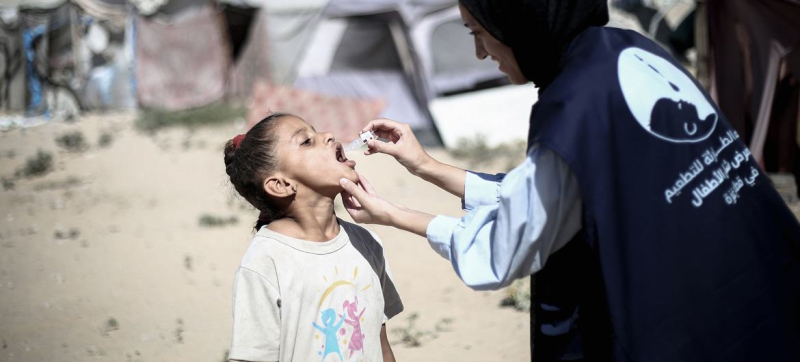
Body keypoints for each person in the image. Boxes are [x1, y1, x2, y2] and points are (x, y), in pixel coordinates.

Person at [338, 1, 800, 361]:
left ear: (520, 19)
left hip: (690, 330)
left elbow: (500, 252)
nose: (481, 52)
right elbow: (572, 196)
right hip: (765, 296)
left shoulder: (575, 106)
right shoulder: (628, 52)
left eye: (479, 33)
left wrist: (392, 215)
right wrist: (425, 166)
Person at [224, 113, 403, 362]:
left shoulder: (367, 243)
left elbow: (381, 345)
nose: (328, 136)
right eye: (306, 141)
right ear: (280, 185)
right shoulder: (265, 261)